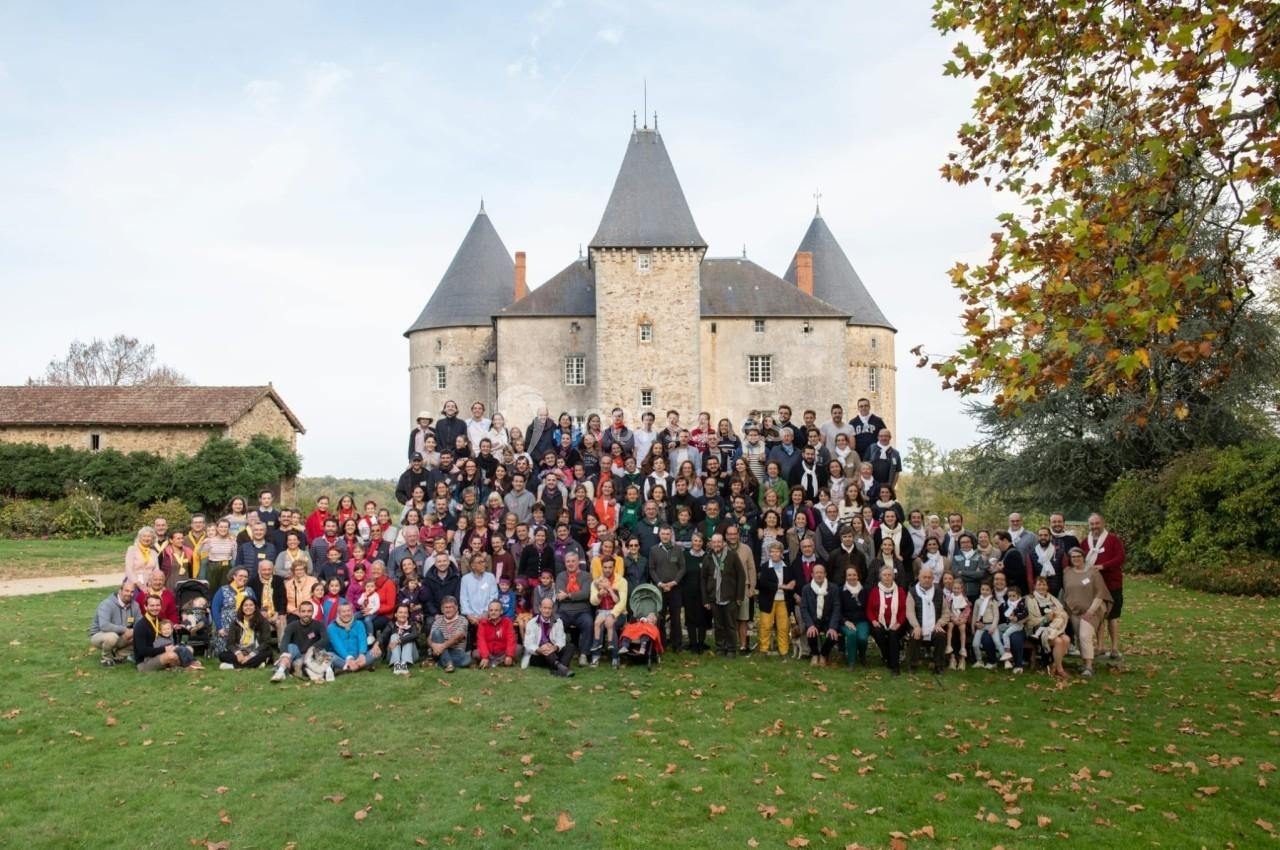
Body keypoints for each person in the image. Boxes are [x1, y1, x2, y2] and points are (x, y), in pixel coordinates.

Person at [1062, 546, 1113, 678]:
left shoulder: (1093, 572)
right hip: (1074, 611)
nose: (1076, 559)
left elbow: (1100, 593)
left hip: (1092, 611)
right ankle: (1084, 663)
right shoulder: (1067, 572)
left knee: (1085, 635)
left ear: (1083, 557)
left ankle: (1089, 667)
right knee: (1079, 637)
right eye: (1073, 557)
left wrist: (1090, 611)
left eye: (1078, 556)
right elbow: (1066, 592)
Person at [1083, 512, 1125, 662]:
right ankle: (1100, 647)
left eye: (1097, 523)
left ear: (1103, 524)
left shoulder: (1113, 540)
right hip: (1094, 586)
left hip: (1112, 584)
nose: (1094, 526)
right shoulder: (1085, 542)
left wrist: (1103, 566)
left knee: (1112, 617)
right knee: (1098, 615)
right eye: (1092, 524)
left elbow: (1120, 558)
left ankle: (1114, 648)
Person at [701, 533, 745, 657]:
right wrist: (706, 599)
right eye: (714, 542)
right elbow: (703, 579)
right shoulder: (708, 558)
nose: (716, 545)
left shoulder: (732, 556)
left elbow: (741, 576)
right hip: (714, 598)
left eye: (719, 542)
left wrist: (739, 596)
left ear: (723, 543)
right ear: (711, 543)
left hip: (730, 597)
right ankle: (720, 647)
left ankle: (731, 648)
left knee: (731, 625)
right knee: (719, 625)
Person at [271, 600, 330, 681]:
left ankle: (284, 669)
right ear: (299, 612)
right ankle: (280, 671)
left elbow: (325, 639)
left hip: (310, 656)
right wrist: (285, 656)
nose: (306, 614)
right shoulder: (291, 626)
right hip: (296, 655)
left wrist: (312, 648)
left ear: (313, 612)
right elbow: (284, 643)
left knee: (322, 652)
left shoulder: (319, 624)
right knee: (291, 647)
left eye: (309, 611)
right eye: (303, 611)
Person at [134, 594, 196, 671]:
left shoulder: (160, 620)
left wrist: (176, 629)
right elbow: (142, 651)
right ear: (145, 607)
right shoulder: (140, 626)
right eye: (152, 605)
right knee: (171, 656)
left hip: (160, 653)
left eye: (157, 605)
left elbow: (170, 637)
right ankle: (185, 666)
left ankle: (180, 666)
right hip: (145, 661)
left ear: (161, 606)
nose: (155, 608)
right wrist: (165, 649)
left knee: (189, 649)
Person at [905, 566, 949, 675]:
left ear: (933, 579)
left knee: (941, 635)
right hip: (918, 625)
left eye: (929, 577)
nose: (927, 579)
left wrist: (939, 624)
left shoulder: (939, 593)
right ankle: (913, 664)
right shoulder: (912, 592)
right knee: (915, 634)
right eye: (924, 577)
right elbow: (909, 612)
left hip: (935, 626)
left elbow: (946, 613)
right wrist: (916, 626)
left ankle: (938, 665)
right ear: (919, 578)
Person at [1025, 575, 1071, 677]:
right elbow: (1030, 621)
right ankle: (1060, 669)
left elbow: (1063, 613)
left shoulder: (1052, 599)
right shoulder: (1030, 599)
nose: (1041, 587)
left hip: (1054, 629)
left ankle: (1054, 665)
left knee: (1066, 639)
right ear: (1035, 587)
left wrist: (1056, 616)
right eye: (1039, 584)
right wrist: (1046, 619)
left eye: (1044, 584)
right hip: (1036, 630)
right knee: (1059, 641)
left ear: (1047, 586)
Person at [648, 526, 685, 652]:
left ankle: (677, 644)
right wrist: (659, 583)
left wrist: (674, 582)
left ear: (671, 535)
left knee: (676, 617)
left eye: (667, 534)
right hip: (660, 589)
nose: (665, 536)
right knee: (661, 617)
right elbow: (651, 569)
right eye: (663, 534)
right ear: (659, 535)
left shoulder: (677, 549)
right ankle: (661, 643)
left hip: (675, 588)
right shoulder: (653, 550)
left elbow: (682, 568)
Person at [756, 540, 795, 657]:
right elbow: (762, 583)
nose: (774, 554)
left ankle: (784, 651)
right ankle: (763, 649)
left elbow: (792, 579)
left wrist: (793, 582)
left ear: (781, 553)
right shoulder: (764, 566)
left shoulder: (787, 566)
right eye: (772, 551)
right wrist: (780, 586)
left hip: (783, 600)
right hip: (768, 600)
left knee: (783, 627)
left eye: (777, 551)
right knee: (765, 625)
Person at [90, 580, 142, 667]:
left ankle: (119, 655)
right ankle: (106, 658)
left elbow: (140, 623)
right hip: (100, 635)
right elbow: (104, 626)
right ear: (120, 591)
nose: (129, 594)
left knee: (142, 636)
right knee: (112, 637)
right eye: (127, 591)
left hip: (122, 636)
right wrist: (125, 630)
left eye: (132, 592)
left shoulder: (135, 605)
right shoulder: (106, 604)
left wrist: (133, 631)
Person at [555, 552, 594, 666]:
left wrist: (568, 595)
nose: (571, 564)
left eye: (573, 561)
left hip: (582, 611)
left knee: (589, 623)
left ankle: (584, 654)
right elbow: (559, 594)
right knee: (557, 623)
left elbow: (586, 594)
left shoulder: (586, 576)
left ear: (578, 562)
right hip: (564, 612)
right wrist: (576, 595)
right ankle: (559, 652)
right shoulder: (561, 576)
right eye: (568, 561)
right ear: (565, 563)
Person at [867, 565, 907, 675]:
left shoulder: (900, 591)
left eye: (890, 575)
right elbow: (869, 609)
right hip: (879, 622)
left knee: (893, 635)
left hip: (897, 622)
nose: (887, 577)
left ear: (893, 577)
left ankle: (895, 666)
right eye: (885, 575)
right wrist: (874, 621)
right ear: (880, 577)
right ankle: (888, 657)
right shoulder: (875, 591)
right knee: (878, 633)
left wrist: (898, 623)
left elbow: (904, 610)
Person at [798, 562, 840, 666]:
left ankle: (824, 654)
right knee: (811, 632)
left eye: (821, 572)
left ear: (825, 574)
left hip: (828, 621)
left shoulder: (833, 588)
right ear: (812, 575)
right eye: (816, 573)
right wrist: (810, 625)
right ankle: (815, 654)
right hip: (813, 620)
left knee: (833, 635)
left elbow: (836, 608)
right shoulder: (806, 589)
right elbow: (803, 608)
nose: (819, 575)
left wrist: (832, 627)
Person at [589, 557, 628, 667]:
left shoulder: (621, 581)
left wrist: (613, 614)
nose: (607, 570)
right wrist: (599, 595)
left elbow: (622, 603)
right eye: (605, 567)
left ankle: (615, 656)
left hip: (618, 613)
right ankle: (595, 657)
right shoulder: (596, 582)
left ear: (614, 567)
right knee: (599, 625)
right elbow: (593, 602)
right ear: (601, 568)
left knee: (611, 623)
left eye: (610, 567)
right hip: (602, 612)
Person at [522, 597, 574, 677]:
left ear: (553, 609)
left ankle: (559, 669)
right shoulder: (532, 623)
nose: (547, 611)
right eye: (545, 608)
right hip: (538, 655)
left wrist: (555, 647)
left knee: (570, 646)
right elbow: (528, 644)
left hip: (553, 651)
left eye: (549, 608)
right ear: (540, 608)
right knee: (546, 650)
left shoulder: (558, 621)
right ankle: (563, 668)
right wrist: (539, 649)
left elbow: (561, 640)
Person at [217, 597, 274, 670]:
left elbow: (266, 642)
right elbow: (230, 643)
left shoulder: (263, 622)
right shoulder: (235, 623)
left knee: (268, 652)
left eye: (251, 605)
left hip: (256, 651)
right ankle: (256, 664)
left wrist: (250, 656)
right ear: (242, 607)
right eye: (245, 605)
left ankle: (232, 666)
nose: (248, 607)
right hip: (241, 650)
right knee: (222, 655)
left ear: (255, 607)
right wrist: (238, 653)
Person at [211, 568, 256, 656]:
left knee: (247, 651)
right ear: (234, 576)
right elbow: (215, 609)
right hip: (226, 627)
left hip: (246, 624)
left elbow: (256, 607)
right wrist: (219, 627)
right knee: (225, 652)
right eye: (241, 576)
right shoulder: (223, 590)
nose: (244, 578)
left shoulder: (249, 590)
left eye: (246, 576)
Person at [328, 601, 378, 674]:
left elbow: (362, 640)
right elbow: (338, 646)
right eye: (343, 611)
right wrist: (348, 658)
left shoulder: (359, 624)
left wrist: (362, 654)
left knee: (377, 651)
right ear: (338, 614)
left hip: (359, 656)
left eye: (348, 611)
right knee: (329, 655)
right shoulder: (331, 627)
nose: (346, 614)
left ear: (352, 612)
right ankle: (360, 666)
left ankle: (346, 668)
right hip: (342, 658)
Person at [836, 564, 869, 670]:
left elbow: (867, 608)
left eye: (854, 575)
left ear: (858, 576)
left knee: (862, 638)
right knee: (851, 634)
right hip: (845, 621)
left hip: (862, 621)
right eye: (849, 575)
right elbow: (837, 610)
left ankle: (862, 655)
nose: (852, 577)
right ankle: (851, 662)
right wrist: (845, 621)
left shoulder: (864, 590)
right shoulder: (840, 591)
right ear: (845, 577)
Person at [428, 596, 469, 672]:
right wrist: (433, 645)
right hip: (437, 651)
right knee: (436, 633)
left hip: (455, 651)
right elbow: (429, 638)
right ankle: (448, 664)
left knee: (467, 660)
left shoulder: (462, 620)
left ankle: (438, 662)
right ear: (442, 609)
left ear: (456, 608)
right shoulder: (438, 620)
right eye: (446, 607)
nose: (448, 610)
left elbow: (458, 636)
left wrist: (443, 646)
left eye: (451, 607)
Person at [475, 599, 518, 669]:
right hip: (489, 652)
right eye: (491, 610)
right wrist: (485, 656)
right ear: (488, 612)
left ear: (501, 611)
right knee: (476, 653)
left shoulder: (507, 622)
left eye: (496, 610)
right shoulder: (483, 623)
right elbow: (481, 640)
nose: (493, 612)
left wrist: (509, 655)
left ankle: (493, 662)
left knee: (518, 648)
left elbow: (511, 639)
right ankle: (497, 662)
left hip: (502, 652)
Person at [381, 603, 421, 675]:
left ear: (408, 615)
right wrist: (376, 644)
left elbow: (415, 634)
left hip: (411, 655)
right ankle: (397, 664)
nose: (403, 615)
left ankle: (404, 663)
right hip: (392, 656)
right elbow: (383, 636)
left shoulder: (412, 624)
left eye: (405, 612)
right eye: (400, 612)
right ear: (395, 614)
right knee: (394, 636)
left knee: (407, 635)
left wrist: (399, 641)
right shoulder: (391, 624)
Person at [993, 530, 1033, 596]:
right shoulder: (1005, 552)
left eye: (998, 543)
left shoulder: (1013, 553)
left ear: (1005, 540)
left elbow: (1020, 574)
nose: (997, 546)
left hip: (1016, 592)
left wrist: (1003, 569)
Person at [124, 526, 159, 592]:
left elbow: (156, 571)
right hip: (133, 584)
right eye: (144, 536)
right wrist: (139, 585)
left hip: (149, 585)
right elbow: (128, 570)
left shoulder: (154, 553)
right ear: (139, 537)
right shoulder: (132, 549)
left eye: (149, 536)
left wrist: (153, 584)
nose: (146, 538)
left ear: (152, 539)